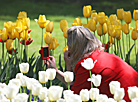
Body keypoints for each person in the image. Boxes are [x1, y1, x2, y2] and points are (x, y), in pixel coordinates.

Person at [46, 26, 138, 102]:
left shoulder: (87, 66)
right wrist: (56, 71)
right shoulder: (98, 55)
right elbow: (77, 85)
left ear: (76, 48)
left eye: (69, 46)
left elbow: (73, 96)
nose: (68, 50)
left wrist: (68, 66)